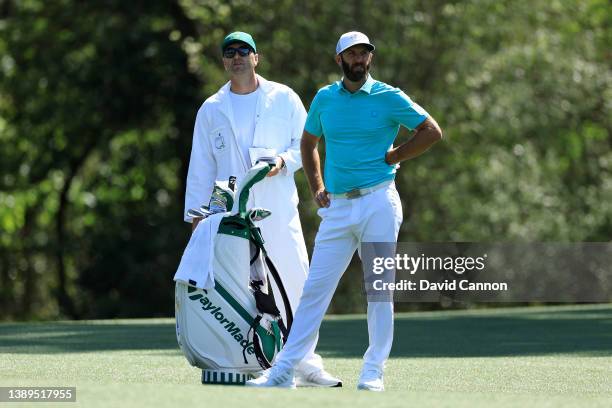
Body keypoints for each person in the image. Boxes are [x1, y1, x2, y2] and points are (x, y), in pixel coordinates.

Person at [246, 31, 443, 391]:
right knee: (315, 290)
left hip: (379, 202)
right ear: (339, 60)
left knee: (379, 289)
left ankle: (372, 372)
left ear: (370, 58)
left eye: (364, 53)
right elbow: (308, 142)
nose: (358, 59)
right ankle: (282, 371)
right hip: (337, 208)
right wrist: (316, 186)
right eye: (351, 54)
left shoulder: (388, 96)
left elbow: (431, 131)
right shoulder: (324, 98)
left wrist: (397, 155)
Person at [184, 31, 341, 387]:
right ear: (223, 61)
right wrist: (196, 217)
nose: (237, 57)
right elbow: (201, 166)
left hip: (277, 207)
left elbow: (306, 144)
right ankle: (263, 361)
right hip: (231, 214)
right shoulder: (211, 108)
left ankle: (307, 362)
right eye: (229, 52)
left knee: (297, 278)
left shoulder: (283, 98)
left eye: (244, 51)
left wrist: (281, 163)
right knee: (245, 287)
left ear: (257, 57)